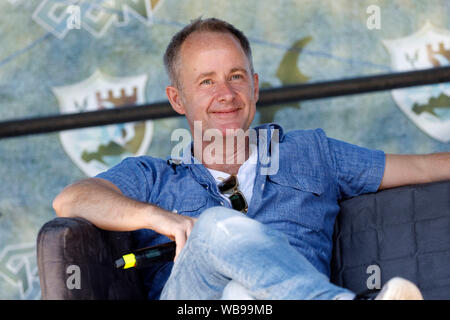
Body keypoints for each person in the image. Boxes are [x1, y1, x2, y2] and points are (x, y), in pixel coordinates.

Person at [53, 17, 450, 300]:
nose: (225, 93)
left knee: (240, 293)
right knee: (215, 227)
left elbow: (424, 166)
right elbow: (72, 199)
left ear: (255, 87)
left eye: (236, 77)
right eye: (206, 81)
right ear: (178, 99)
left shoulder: (311, 152)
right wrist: (158, 217)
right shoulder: (155, 177)